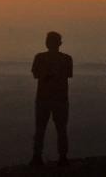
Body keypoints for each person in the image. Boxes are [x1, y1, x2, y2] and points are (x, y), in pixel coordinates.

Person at [30, 31, 73, 167]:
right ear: (59, 43)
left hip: (44, 99)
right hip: (60, 99)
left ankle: (37, 157)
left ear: (47, 43)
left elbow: (36, 74)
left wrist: (47, 75)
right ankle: (63, 157)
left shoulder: (40, 58)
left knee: (40, 129)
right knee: (61, 129)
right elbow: (68, 74)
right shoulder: (66, 59)